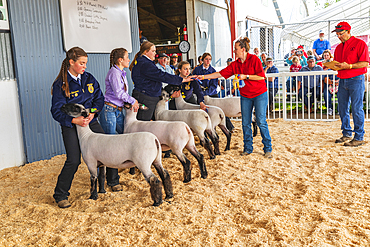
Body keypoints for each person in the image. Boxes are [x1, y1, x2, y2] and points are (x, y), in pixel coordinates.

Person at [51, 47, 120, 208]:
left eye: (85, 63)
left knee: (108, 148)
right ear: (71, 62)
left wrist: (93, 114)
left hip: (90, 121)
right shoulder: (60, 84)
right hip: (71, 125)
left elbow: (99, 99)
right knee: (74, 160)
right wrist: (73, 121)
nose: (85, 66)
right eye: (82, 63)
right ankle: (61, 194)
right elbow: (56, 110)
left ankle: (113, 181)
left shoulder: (88, 78)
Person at [194, 37, 272, 158]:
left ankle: (268, 148)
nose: (234, 51)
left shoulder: (254, 59)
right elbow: (221, 73)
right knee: (245, 122)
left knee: (261, 121)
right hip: (246, 95)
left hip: (259, 93)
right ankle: (247, 148)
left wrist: (245, 76)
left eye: (236, 49)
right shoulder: (235, 64)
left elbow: (261, 77)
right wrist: (203, 77)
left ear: (243, 49)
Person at [129, 41, 194, 121]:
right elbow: (161, 76)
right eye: (153, 51)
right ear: (146, 52)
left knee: (148, 121)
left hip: (147, 95)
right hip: (146, 96)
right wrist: (181, 79)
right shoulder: (145, 64)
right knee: (144, 122)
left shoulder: (143, 62)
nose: (155, 53)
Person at [332, 22, 369, 146]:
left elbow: (365, 63)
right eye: (337, 34)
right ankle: (346, 133)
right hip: (342, 79)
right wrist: (332, 66)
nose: (339, 36)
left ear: (348, 31)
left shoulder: (360, 44)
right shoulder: (338, 47)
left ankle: (359, 137)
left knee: (357, 108)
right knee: (342, 108)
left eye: (340, 34)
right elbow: (337, 63)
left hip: (356, 79)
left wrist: (350, 66)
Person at [321, 49, 337, 115]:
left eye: (327, 55)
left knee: (341, 94)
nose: (326, 57)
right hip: (327, 81)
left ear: (330, 56)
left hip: (336, 80)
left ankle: (340, 109)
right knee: (326, 94)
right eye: (324, 55)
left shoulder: (334, 62)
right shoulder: (321, 63)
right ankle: (329, 108)